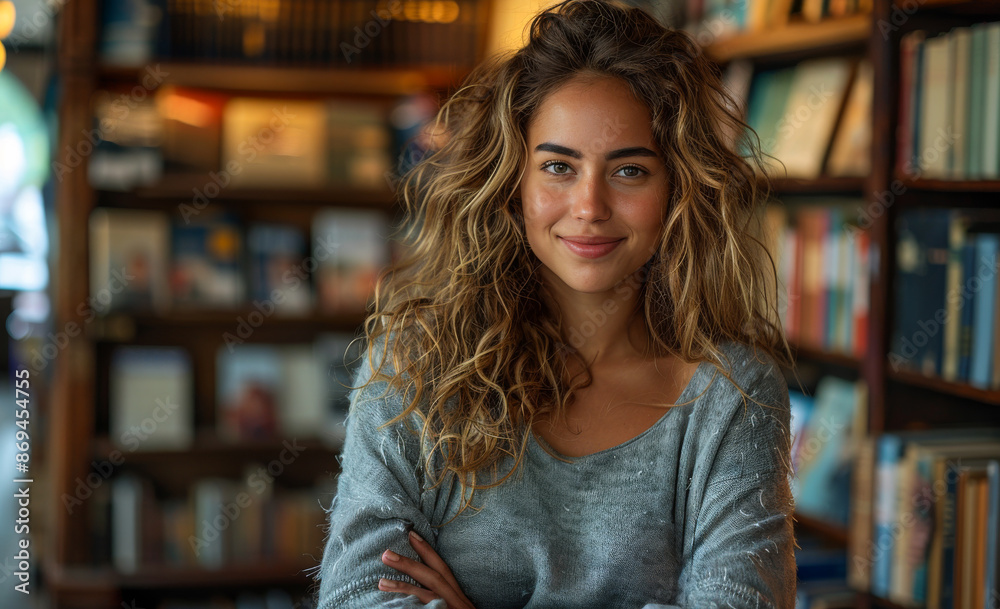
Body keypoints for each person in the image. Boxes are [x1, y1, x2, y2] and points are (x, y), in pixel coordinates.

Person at [314, 1, 797, 607]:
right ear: (512, 182)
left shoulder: (734, 395)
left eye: (629, 171)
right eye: (558, 166)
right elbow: (358, 597)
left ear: (678, 188)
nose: (590, 205)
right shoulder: (414, 368)